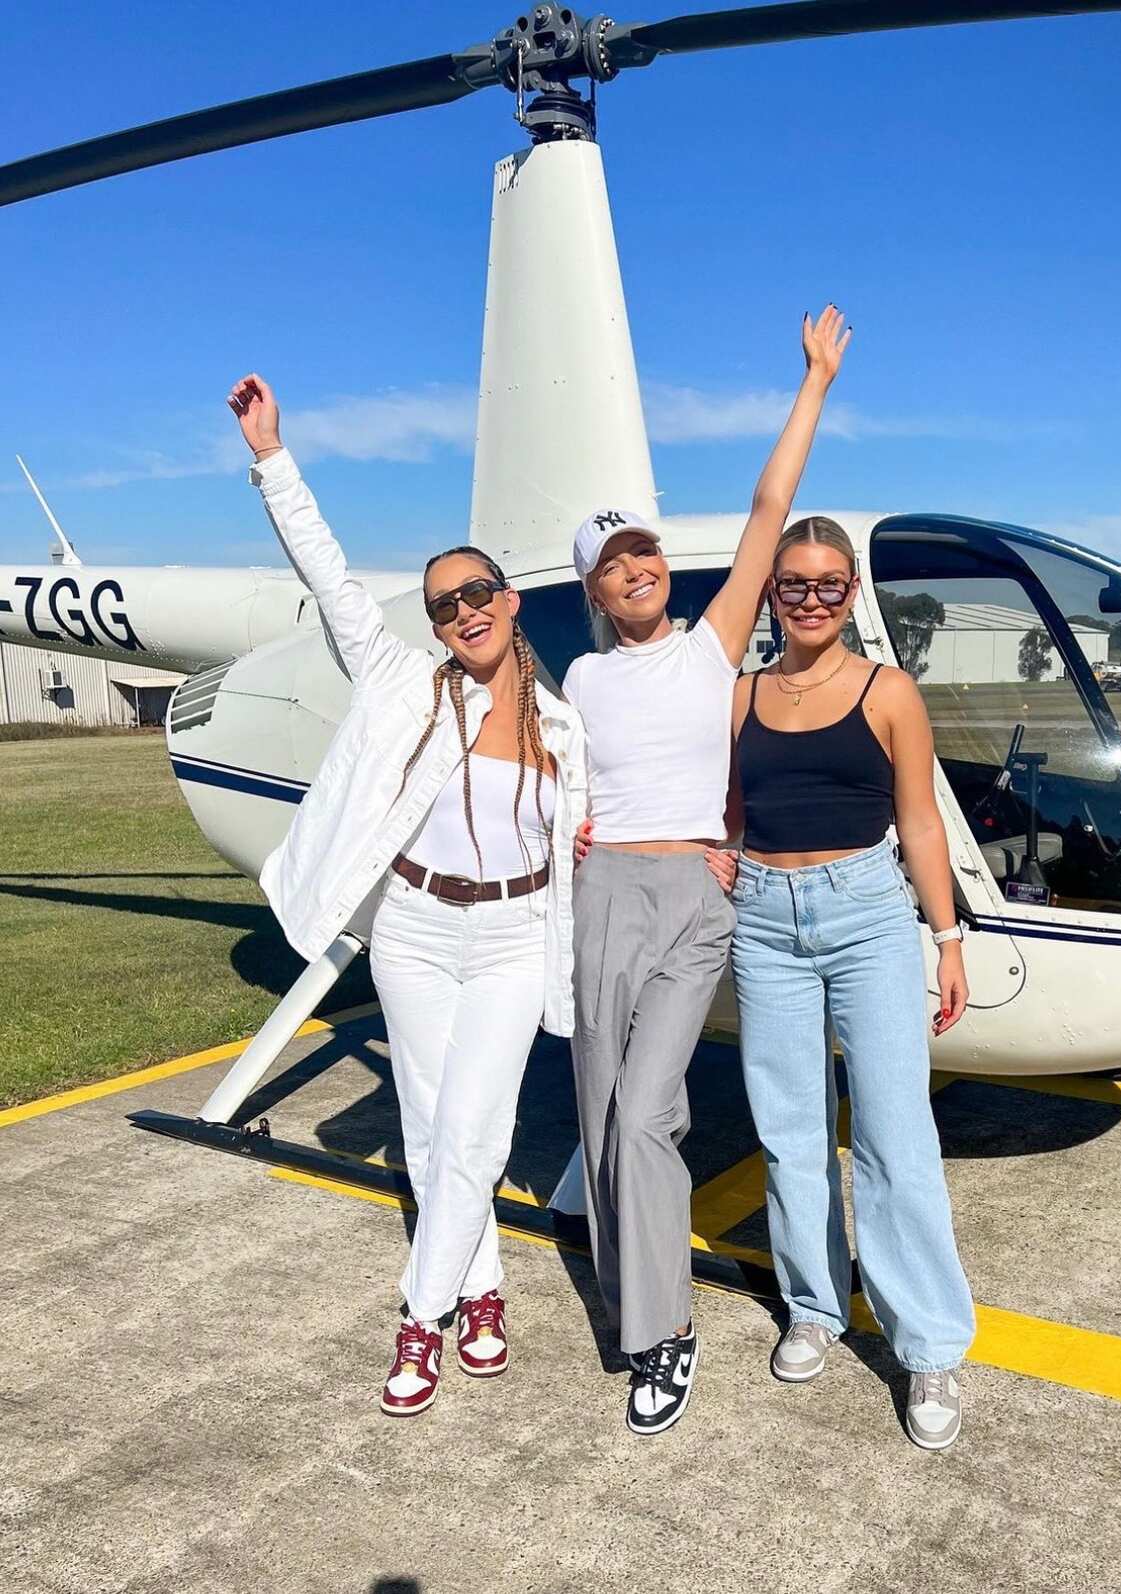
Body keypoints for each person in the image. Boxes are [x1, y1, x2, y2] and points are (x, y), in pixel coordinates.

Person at [227, 374, 589, 1419]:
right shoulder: (401, 684)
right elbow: (331, 577)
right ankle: (482, 1294)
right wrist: (272, 457)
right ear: (433, 623)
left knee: (474, 1127)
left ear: (508, 601)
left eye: (479, 593)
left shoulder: (563, 730)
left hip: (515, 931)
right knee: (430, 1129)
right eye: (445, 604)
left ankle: (415, 1319)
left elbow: (615, 824)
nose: (465, 611)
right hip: (419, 927)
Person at [564, 306, 852, 1436]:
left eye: (640, 550)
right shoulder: (578, 686)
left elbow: (768, 512)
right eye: (608, 563)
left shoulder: (709, 643)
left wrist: (812, 385)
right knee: (599, 1117)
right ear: (592, 591)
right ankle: (629, 1284)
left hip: (692, 897)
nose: (631, 568)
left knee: (644, 1112)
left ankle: (664, 1334)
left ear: (657, 563)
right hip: (599, 896)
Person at [725, 514, 976, 1450]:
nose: (813, 599)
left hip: (868, 910)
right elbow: (728, 815)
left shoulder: (888, 690)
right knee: (788, 1130)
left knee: (893, 1132)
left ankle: (930, 1345)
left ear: (854, 594)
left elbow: (920, 822)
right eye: (795, 584)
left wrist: (945, 937)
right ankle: (814, 1308)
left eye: (832, 584)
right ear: (773, 594)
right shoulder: (741, 695)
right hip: (765, 914)